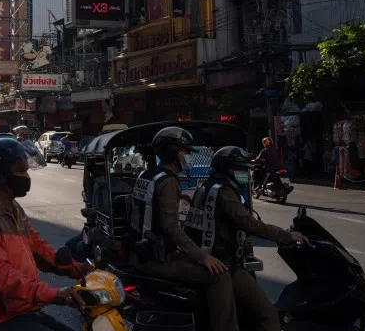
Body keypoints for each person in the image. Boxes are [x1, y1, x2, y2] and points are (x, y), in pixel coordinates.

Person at [0, 138, 89, 331]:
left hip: (23, 309)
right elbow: (2, 278)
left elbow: (37, 247)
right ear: (2, 175)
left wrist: (78, 268)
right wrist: (54, 294)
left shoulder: (13, 209)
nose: (26, 177)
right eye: (21, 171)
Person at [128, 127, 239, 331]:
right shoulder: (168, 181)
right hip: (158, 259)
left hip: (141, 253)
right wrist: (203, 257)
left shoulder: (148, 174)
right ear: (173, 152)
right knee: (220, 275)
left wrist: (182, 199)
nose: (189, 156)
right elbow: (171, 228)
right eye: (185, 152)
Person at [185, 147, 308, 331]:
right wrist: (287, 236)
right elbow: (249, 224)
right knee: (266, 314)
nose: (244, 175)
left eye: (245, 170)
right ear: (226, 170)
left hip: (211, 260)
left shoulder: (205, 187)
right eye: (239, 170)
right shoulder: (224, 193)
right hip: (222, 265)